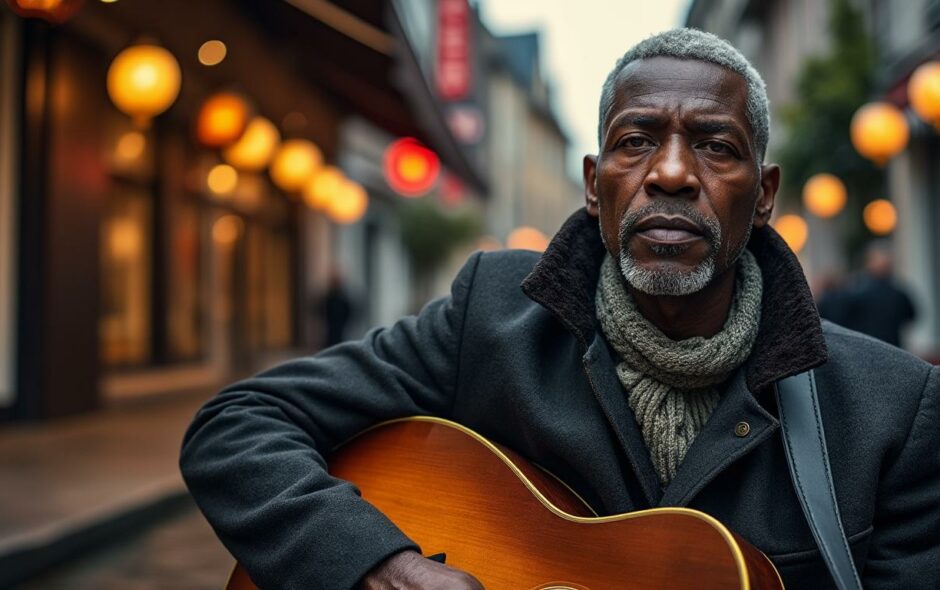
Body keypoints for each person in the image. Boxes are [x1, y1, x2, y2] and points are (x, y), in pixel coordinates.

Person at [180, 29, 940, 589]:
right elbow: (238, 427)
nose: (671, 173)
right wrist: (384, 567)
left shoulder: (893, 409)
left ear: (765, 195)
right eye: (636, 141)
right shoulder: (491, 318)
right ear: (593, 183)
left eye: (715, 146)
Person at [842, 241, 917, 348]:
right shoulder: (897, 293)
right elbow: (911, 316)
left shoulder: (856, 292)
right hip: (892, 349)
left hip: (868, 348)